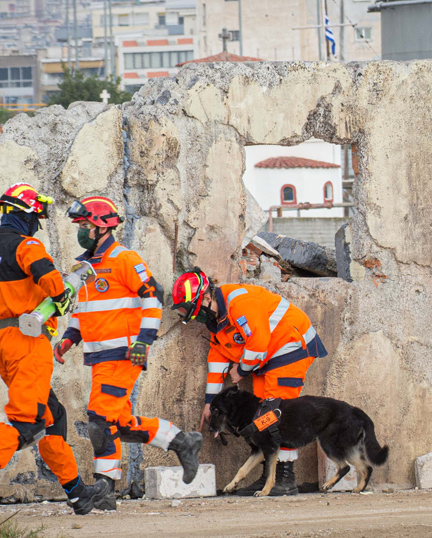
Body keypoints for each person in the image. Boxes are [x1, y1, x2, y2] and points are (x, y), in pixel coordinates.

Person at [0, 183, 107, 515]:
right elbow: (49, 280)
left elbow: (15, 289)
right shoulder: (28, 244)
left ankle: (77, 492)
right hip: (28, 341)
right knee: (27, 419)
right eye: (37, 216)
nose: (38, 223)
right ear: (27, 214)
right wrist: (64, 291)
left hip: (1, 342)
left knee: (53, 416)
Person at [53, 196, 203, 511]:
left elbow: (153, 297)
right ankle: (182, 443)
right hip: (98, 355)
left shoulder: (125, 259)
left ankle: (105, 489)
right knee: (118, 424)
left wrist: (143, 341)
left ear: (102, 227)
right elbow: (84, 309)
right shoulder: (84, 266)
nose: (80, 231)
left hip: (124, 353)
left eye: (84, 225)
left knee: (99, 420)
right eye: (79, 225)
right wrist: (69, 338)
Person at [170, 269, 328, 496]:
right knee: (262, 417)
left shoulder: (240, 302)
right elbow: (216, 365)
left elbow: (258, 341)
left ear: (205, 298)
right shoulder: (217, 323)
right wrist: (209, 404)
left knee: (276, 413)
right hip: (267, 357)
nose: (195, 318)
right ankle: (269, 477)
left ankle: (284, 478)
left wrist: (241, 370)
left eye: (195, 312)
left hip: (290, 345)